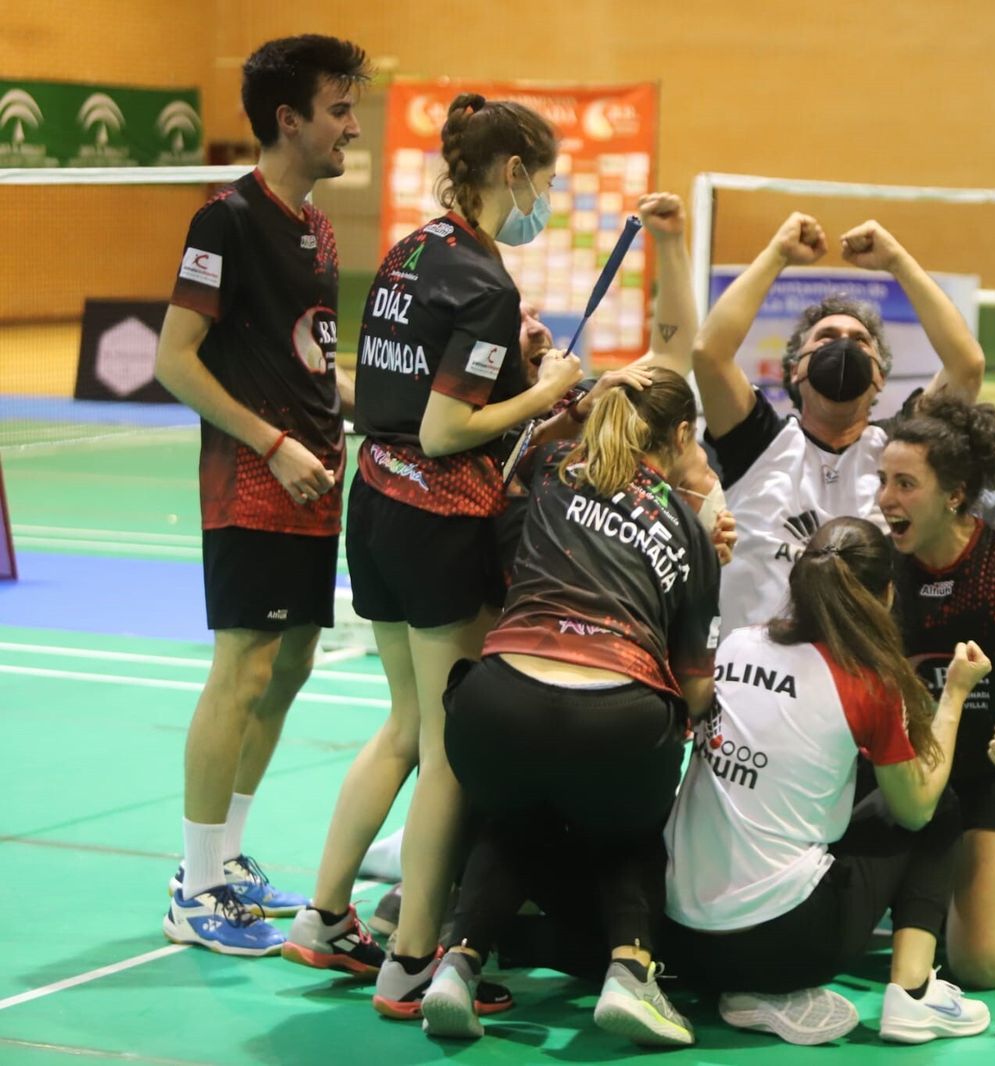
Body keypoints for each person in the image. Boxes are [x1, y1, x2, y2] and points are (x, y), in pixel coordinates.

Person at [280, 93, 584, 1006]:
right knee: (449, 747)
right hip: (438, 514)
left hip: (373, 504)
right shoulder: (488, 284)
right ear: (514, 173)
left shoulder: (415, 249)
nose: (550, 201)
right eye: (549, 183)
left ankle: (324, 919)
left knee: (406, 726)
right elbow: (452, 431)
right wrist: (549, 389)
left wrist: (508, 363)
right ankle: (413, 962)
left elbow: (410, 386)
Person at [416, 367, 723, 1046]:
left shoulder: (551, 467)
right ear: (677, 436)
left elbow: (506, 486)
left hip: (497, 706)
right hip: (618, 721)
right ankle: (630, 973)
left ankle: (456, 966)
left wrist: (581, 400)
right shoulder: (691, 529)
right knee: (629, 829)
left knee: (514, 815)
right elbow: (697, 688)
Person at [155, 34, 371, 956]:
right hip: (253, 477)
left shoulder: (316, 227)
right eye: (338, 110)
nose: (352, 126)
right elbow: (173, 362)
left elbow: (311, 359)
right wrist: (273, 441)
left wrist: (394, 406)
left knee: (290, 670)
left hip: (316, 480)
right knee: (242, 667)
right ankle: (194, 885)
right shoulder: (226, 221)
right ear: (289, 119)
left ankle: (229, 856)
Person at [662, 517, 994, 1045]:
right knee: (939, 806)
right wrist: (954, 693)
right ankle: (913, 997)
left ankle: (746, 991)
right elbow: (916, 810)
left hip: (681, 935)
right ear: (885, 594)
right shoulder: (868, 683)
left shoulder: (736, 644)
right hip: (789, 944)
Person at [694, 213, 985, 632]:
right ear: (795, 369)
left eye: (860, 340)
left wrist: (897, 262)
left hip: (860, 679)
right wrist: (777, 253)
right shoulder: (755, 441)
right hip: (753, 679)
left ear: (880, 375)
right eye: (826, 338)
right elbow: (709, 353)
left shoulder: (903, 448)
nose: (844, 345)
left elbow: (966, 366)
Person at [876, 395, 995, 988]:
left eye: (906, 484)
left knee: (976, 963)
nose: (887, 499)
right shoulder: (883, 568)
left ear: (954, 492)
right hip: (915, 771)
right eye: (884, 481)